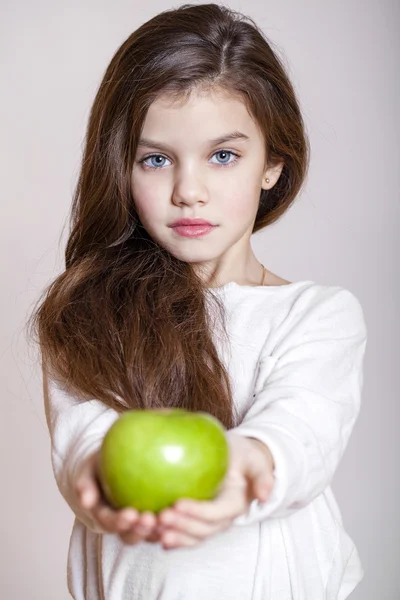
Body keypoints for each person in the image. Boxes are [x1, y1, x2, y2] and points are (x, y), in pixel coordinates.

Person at [27, 3, 368, 599]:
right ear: (121, 169)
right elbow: (85, 436)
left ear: (272, 166)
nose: (188, 190)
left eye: (223, 155)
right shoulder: (89, 312)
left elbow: (300, 432)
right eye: (156, 159)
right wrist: (97, 479)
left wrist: (244, 471)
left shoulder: (318, 315)